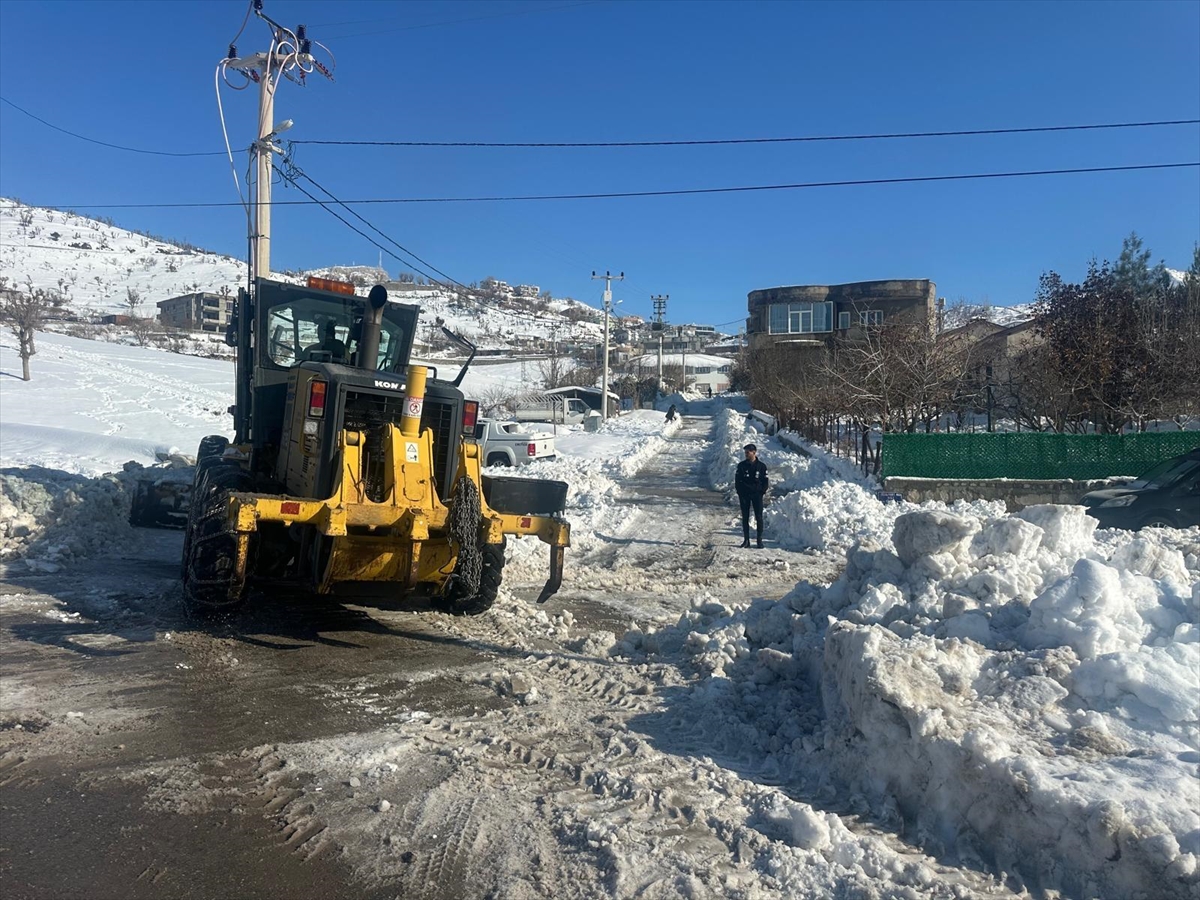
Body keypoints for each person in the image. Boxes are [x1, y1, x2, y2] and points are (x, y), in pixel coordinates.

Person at [735, 443, 768, 548]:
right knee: (745, 517)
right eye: (745, 452)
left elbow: (765, 481)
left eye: (748, 452)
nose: (746, 454)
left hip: (757, 495)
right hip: (744, 495)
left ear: (754, 452)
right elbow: (737, 481)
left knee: (759, 517)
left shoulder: (761, 466)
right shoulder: (741, 466)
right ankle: (746, 540)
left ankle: (759, 540)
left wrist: (762, 491)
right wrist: (740, 492)